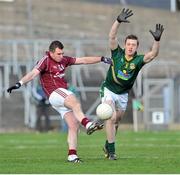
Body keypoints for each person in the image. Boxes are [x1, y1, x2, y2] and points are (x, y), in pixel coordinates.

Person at [7, 40, 112, 163]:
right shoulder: (45, 60)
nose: (61, 56)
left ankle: (72, 155)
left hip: (59, 96)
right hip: (54, 92)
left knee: (73, 125)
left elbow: (83, 60)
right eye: (58, 54)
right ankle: (88, 124)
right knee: (75, 102)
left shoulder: (64, 60)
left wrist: (102, 58)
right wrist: (19, 83)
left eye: (62, 53)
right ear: (51, 53)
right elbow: (33, 74)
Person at [100, 8, 164, 160]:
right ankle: (112, 152)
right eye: (128, 44)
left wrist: (157, 40)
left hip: (123, 94)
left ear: (137, 47)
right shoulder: (117, 53)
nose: (130, 47)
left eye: (133, 45)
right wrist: (118, 21)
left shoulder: (138, 60)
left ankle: (108, 144)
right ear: (125, 44)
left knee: (117, 120)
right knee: (111, 117)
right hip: (109, 89)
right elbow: (111, 36)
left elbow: (153, 54)